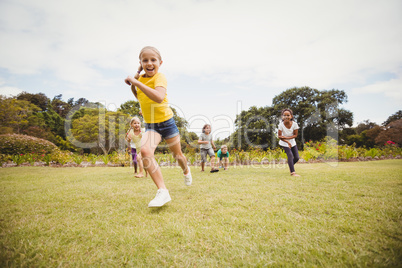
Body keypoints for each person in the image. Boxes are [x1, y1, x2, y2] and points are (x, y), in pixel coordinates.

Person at [124, 46, 192, 208]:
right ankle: (163, 191)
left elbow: (159, 97)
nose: (149, 63)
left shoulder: (160, 77)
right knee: (145, 152)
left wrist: (135, 80)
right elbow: (138, 94)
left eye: (153, 60)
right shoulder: (140, 81)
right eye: (145, 60)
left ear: (160, 63)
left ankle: (186, 170)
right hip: (152, 126)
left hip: (167, 123)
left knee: (178, 156)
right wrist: (136, 77)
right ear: (140, 63)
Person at [278, 108, 300, 176]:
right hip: (284, 142)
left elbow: (295, 135)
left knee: (296, 158)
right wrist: (287, 142)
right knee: (290, 155)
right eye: (284, 115)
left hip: (292, 142)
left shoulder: (295, 124)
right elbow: (279, 136)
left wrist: (287, 138)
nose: (286, 117)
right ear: (282, 116)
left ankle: (291, 165)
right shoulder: (281, 125)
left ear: (291, 116)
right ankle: (293, 172)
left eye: (288, 115)